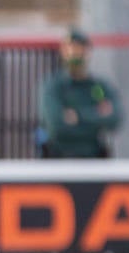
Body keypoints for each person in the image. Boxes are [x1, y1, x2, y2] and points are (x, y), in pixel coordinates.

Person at [38, 28, 120, 158]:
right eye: (71, 49)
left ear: (88, 51)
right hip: (58, 162)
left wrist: (78, 116)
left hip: (94, 161)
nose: (75, 53)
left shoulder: (98, 87)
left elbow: (115, 119)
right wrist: (96, 116)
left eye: (80, 48)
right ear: (63, 52)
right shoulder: (53, 87)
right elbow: (55, 125)